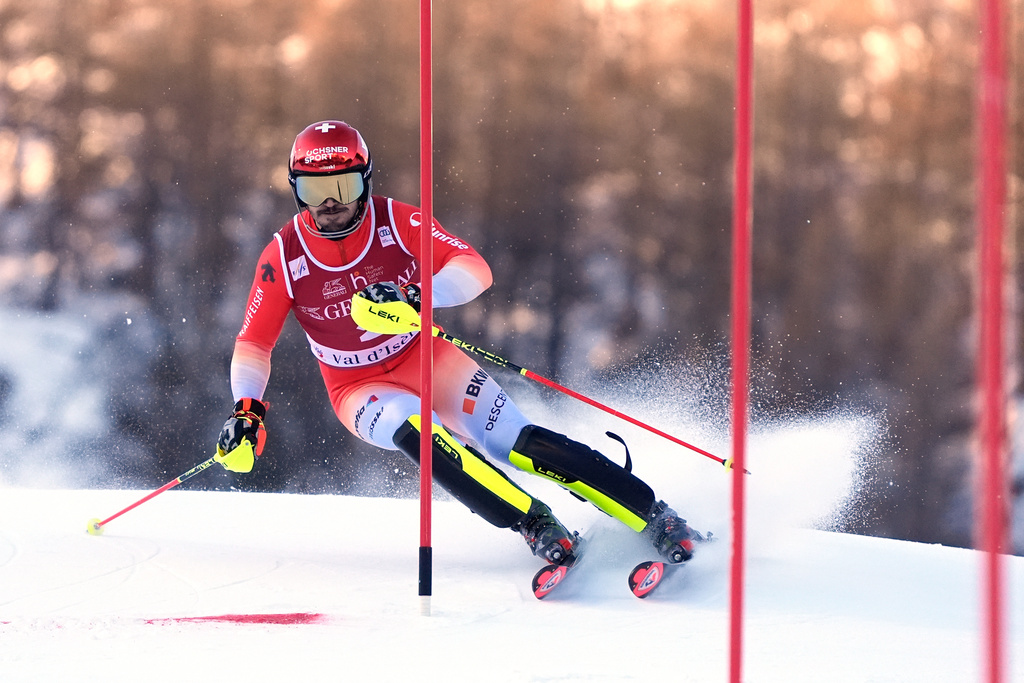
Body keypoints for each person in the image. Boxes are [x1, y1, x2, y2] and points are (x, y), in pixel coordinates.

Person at [214, 120, 699, 569]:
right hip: (356, 388)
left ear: (366, 181)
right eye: (314, 190)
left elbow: (475, 269)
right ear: (296, 190)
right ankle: (534, 522)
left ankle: (656, 517)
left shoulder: (397, 222)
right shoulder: (283, 255)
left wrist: (419, 295)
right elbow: (254, 343)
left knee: (515, 442)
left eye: (345, 186)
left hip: (424, 356)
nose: (330, 203)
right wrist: (247, 410)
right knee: (418, 431)